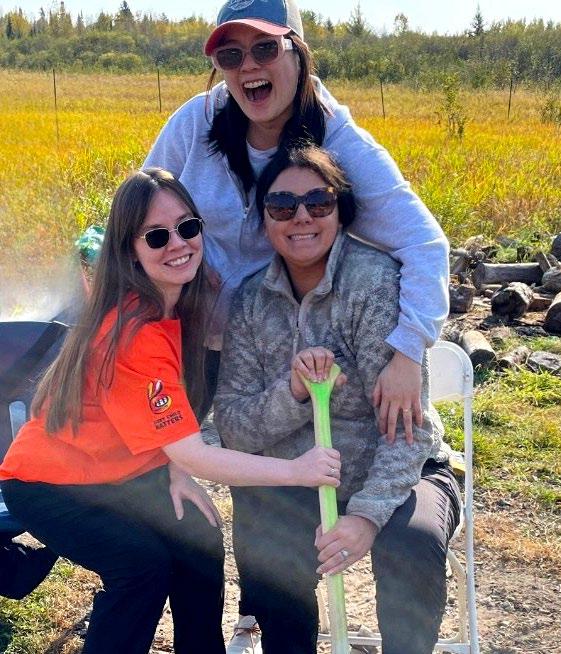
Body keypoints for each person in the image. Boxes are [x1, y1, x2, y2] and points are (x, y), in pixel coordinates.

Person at [0, 168, 341, 654]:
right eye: (156, 236)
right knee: (140, 566)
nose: (178, 244)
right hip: (48, 483)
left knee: (198, 539)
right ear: (129, 252)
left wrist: (174, 466)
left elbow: (175, 423)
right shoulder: (136, 332)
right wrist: (297, 471)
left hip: (116, 470)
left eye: (187, 227)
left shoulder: (177, 304)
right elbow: (195, 452)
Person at [144, 0, 450, 442]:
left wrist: (407, 351)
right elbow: (140, 210)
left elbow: (423, 243)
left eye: (265, 48)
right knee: (154, 448)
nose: (249, 66)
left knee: (286, 453)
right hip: (187, 324)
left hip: (275, 344)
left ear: (299, 54)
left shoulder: (340, 142)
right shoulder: (196, 122)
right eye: (231, 55)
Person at [214, 145, 462, 654]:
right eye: (282, 205)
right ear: (264, 220)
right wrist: (293, 392)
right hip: (298, 476)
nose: (301, 216)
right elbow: (233, 427)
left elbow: (408, 429)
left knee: (412, 543)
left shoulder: (375, 283)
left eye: (318, 202)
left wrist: (367, 516)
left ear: (340, 210)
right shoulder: (249, 301)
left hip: (402, 472)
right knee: (266, 543)